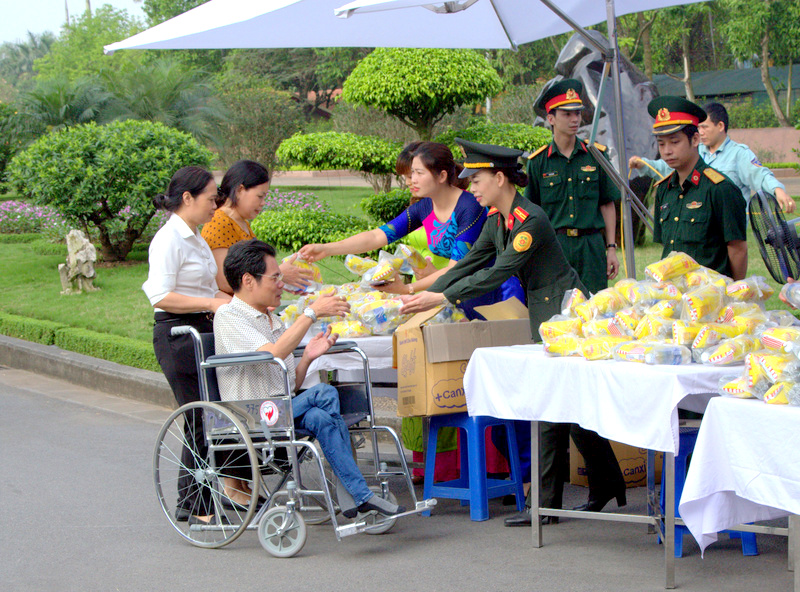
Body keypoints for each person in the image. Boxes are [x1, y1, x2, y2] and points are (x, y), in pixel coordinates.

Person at [400, 138, 626, 527]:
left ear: (500, 179)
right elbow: (469, 263)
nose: (471, 188)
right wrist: (420, 292)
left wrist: (442, 297)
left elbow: (497, 272)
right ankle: (604, 483)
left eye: (476, 181)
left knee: (552, 408)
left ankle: (545, 506)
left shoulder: (529, 220)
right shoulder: (496, 220)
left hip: (563, 312)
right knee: (566, 407)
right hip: (546, 312)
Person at [213, 239, 405, 518]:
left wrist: (307, 358)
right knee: (325, 393)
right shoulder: (229, 315)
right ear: (248, 280)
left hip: (280, 407)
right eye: (275, 278)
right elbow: (271, 355)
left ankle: (359, 496)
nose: (281, 284)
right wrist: (311, 313)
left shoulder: (272, 320)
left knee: (322, 417)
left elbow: (289, 384)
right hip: (252, 413)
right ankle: (350, 494)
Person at [142, 166, 232, 526]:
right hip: (178, 335)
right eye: (211, 198)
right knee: (200, 416)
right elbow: (160, 295)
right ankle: (196, 503)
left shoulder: (195, 237)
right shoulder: (169, 239)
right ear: (187, 198)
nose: (216, 205)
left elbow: (208, 289)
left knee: (210, 416)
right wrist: (210, 303)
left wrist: (241, 305)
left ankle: (194, 500)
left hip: (203, 329)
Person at [525, 78, 621, 295]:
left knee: (595, 304)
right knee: (557, 307)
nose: (575, 119)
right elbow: (532, 212)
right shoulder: (538, 162)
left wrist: (611, 248)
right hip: (555, 246)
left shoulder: (596, 155)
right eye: (567, 114)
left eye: (577, 113)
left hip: (591, 246)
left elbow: (607, 204)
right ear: (551, 118)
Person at [643, 96, 748, 280]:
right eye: (661, 143)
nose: (667, 151)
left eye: (675, 142)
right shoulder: (664, 189)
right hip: (672, 292)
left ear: (695, 139)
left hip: (710, 293)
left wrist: (734, 290)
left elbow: (737, 249)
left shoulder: (720, 189)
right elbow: (666, 246)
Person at [630, 101, 796, 213]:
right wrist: (643, 164)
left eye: (705, 127)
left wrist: (778, 191)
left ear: (720, 126)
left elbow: (760, 175)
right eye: (699, 128)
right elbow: (666, 167)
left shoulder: (738, 154)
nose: (700, 132)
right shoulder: (695, 151)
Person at [201, 160, 313, 295]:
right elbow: (225, 282)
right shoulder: (219, 223)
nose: (263, 203)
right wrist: (278, 274)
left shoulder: (241, 222)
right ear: (239, 190)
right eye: (260, 196)